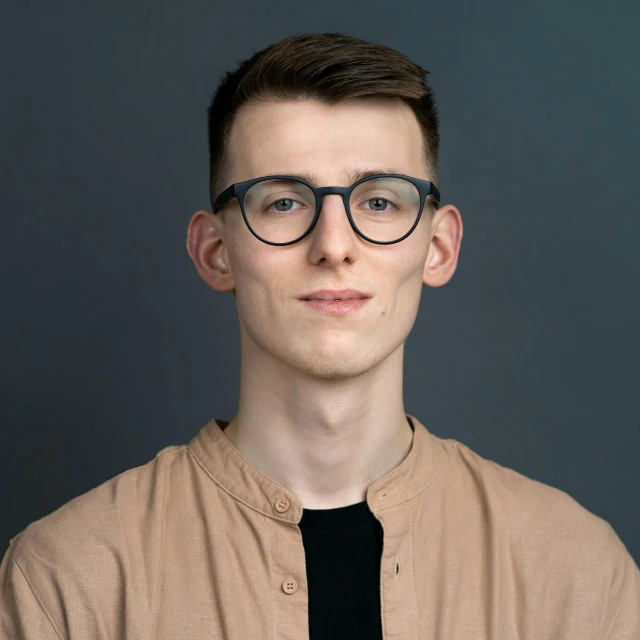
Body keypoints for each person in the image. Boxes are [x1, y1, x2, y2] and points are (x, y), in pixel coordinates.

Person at [1, 31, 638, 640]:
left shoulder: (580, 575)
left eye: (380, 202)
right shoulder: (62, 580)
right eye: (283, 202)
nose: (334, 245)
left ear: (439, 247)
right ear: (215, 251)